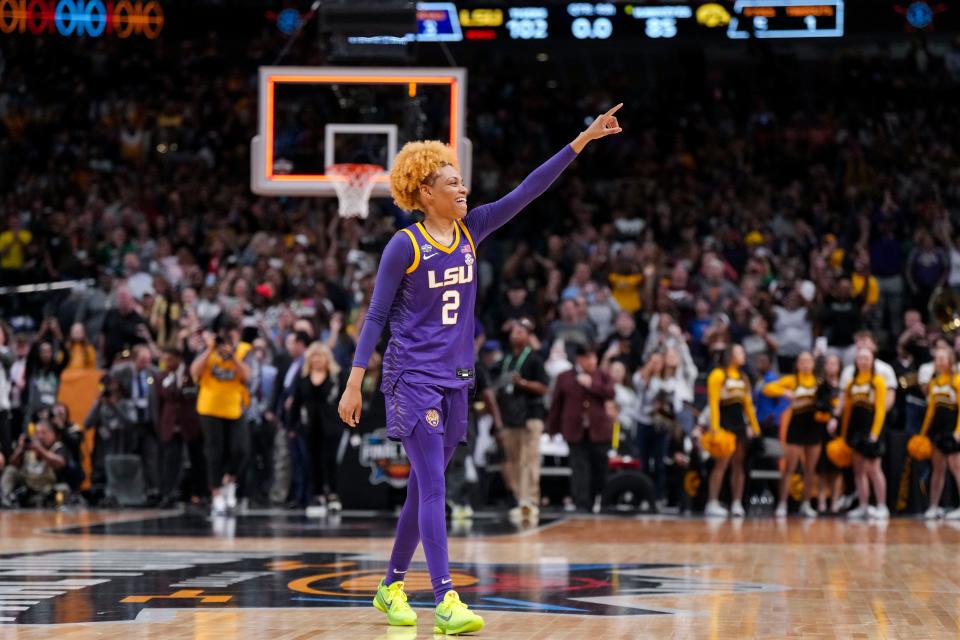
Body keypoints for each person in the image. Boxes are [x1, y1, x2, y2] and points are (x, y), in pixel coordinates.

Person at [337, 104, 622, 635]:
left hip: (456, 377)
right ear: (425, 192)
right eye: (452, 182)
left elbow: (528, 190)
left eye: (463, 181)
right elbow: (375, 315)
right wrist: (355, 382)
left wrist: (582, 139)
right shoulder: (405, 245)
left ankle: (389, 585)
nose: (463, 190)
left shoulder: (474, 230)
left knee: (426, 486)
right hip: (411, 377)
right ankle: (445, 599)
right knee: (433, 490)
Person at [190, 319, 251, 515]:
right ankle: (216, 493)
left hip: (234, 407)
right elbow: (194, 372)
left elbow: (247, 376)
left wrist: (232, 357)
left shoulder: (242, 350)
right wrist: (209, 350)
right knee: (214, 452)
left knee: (241, 449)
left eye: (233, 335)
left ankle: (229, 481)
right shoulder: (208, 351)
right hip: (210, 407)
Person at [548, 343, 615, 512]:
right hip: (574, 430)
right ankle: (581, 505)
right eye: (589, 358)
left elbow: (611, 393)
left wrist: (591, 385)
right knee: (579, 470)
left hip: (599, 431)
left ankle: (599, 501)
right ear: (579, 359)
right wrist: (552, 429)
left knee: (600, 470)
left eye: (594, 357)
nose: (592, 361)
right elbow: (556, 404)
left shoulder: (602, 375)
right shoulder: (565, 377)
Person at [495, 318, 548, 523]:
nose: (516, 334)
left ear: (527, 337)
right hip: (511, 418)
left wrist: (523, 383)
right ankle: (520, 500)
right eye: (513, 331)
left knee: (530, 460)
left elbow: (544, 388)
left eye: (520, 331)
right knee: (514, 461)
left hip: (531, 416)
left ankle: (531, 501)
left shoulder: (534, 359)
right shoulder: (506, 360)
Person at [762, 351, 821, 518]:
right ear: (797, 364)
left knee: (810, 469)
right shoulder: (792, 380)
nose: (805, 364)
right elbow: (767, 388)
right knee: (790, 468)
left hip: (813, 426)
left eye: (808, 361)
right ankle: (782, 503)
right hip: (796, 426)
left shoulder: (818, 382)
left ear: (813, 364)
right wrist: (784, 392)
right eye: (802, 361)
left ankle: (806, 503)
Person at [288, 342, 344, 516]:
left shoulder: (337, 376)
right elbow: (295, 402)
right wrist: (292, 424)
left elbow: (344, 400)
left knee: (330, 460)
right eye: (314, 356)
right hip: (310, 425)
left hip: (331, 425)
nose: (317, 359)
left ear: (327, 358)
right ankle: (317, 495)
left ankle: (333, 495)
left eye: (320, 355)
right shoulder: (302, 377)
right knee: (312, 461)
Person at [704, 344, 760, 518]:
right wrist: (715, 428)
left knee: (739, 464)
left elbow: (748, 405)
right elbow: (713, 403)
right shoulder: (718, 374)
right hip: (724, 423)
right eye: (739, 352)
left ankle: (737, 502)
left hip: (739, 425)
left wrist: (754, 426)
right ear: (730, 355)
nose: (743, 355)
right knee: (721, 464)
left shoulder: (743, 377)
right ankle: (712, 502)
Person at [838, 347, 889, 520]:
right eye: (860, 358)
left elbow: (881, 410)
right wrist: (844, 435)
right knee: (858, 470)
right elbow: (847, 412)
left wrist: (874, 433)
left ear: (872, 361)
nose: (863, 361)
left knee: (874, 469)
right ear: (856, 361)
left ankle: (882, 506)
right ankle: (863, 506)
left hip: (872, 429)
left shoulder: (878, 381)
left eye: (867, 358)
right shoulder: (852, 383)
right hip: (855, 430)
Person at [155, 348, 204, 508]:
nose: (166, 363)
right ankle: (167, 493)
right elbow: (161, 400)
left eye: (169, 359)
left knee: (197, 459)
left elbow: (193, 394)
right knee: (170, 461)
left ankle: (199, 493)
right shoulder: (162, 376)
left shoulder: (192, 373)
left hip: (190, 423)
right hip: (171, 424)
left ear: (177, 358)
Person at [918, 346, 960, 520]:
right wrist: (922, 434)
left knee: (957, 469)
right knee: (938, 469)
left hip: (953, 430)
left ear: (950, 361)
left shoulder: (957, 380)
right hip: (937, 431)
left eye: (943, 358)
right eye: (937, 359)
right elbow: (930, 412)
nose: (940, 362)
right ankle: (934, 506)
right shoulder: (933, 384)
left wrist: (958, 431)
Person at [0, 421, 67, 507]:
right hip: (27, 485)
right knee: (10, 470)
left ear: (52, 433)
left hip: (46, 488)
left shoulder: (58, 447)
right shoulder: (29, 446)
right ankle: (4, 498)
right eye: (37, 433)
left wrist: (40, 449)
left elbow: (60, 463)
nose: (39, 436)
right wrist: (20, 448)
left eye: (43, 433)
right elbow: (13, 463)